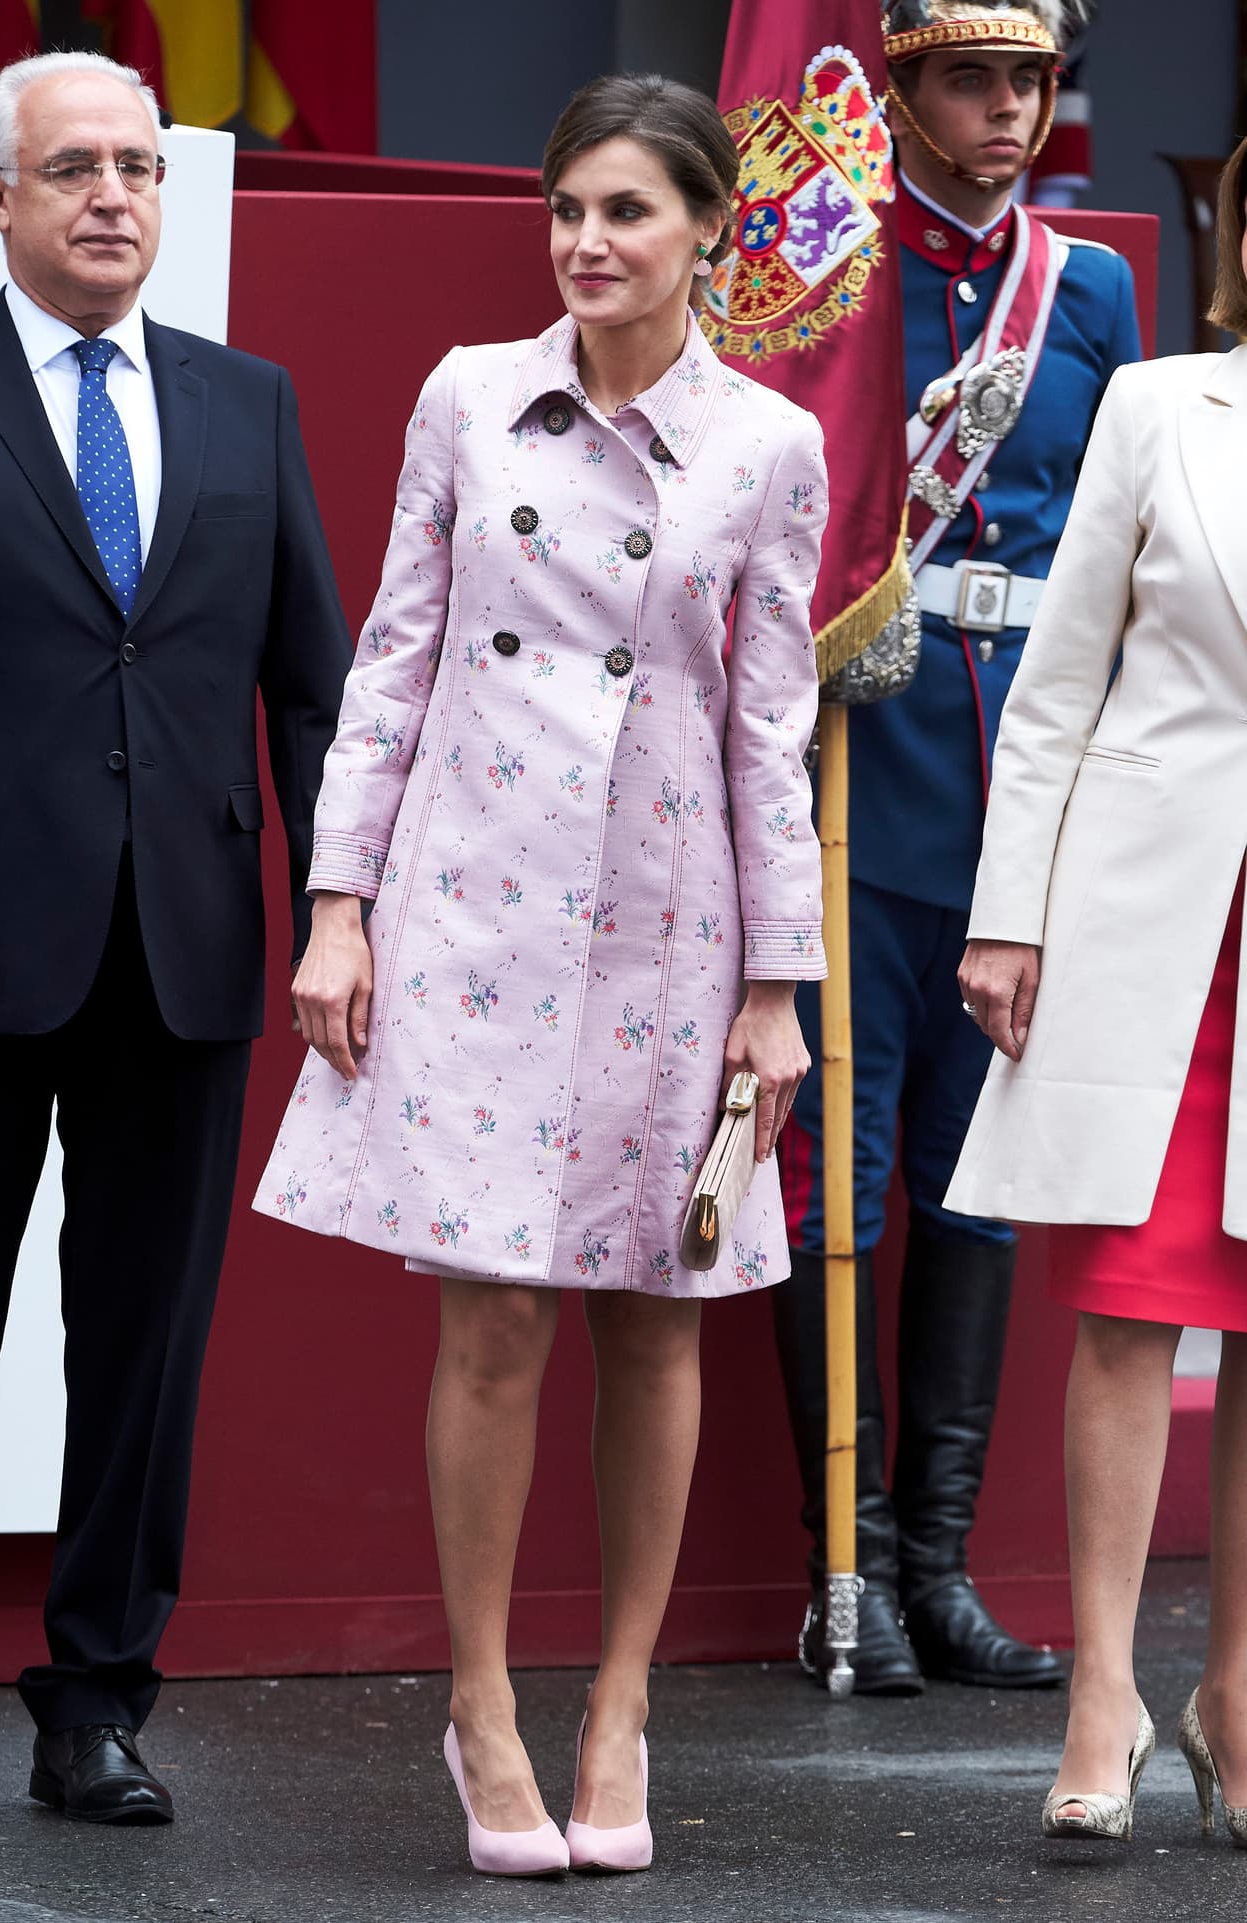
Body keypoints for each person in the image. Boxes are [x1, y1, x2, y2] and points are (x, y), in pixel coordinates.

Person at [254, 72, 828, 1877]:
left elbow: (768, 727)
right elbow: (393, 660)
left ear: (706, 232)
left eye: (626, 213)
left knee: (660, 1313)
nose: (587, 243)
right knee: (490, 1310)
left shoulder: (769, 448)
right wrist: (337, 903)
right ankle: (484, 1702)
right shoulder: (466, 400)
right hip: (478, 908)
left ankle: (625, 1705)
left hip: (673, 920)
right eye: (567, 209)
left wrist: (780, 981)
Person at [0, 52, 350, 1823]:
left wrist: (336, 909)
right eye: (72, 169)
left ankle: (96, 1700)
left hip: (184, 949)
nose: (112, 194)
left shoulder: (244, 403)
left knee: (143, 1347)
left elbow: (310, 695)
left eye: (136, 165)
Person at [772, 0, 1141, 1695]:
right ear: (899, 87)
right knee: (838, 1187)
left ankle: (943, 1567)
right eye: (972, 81)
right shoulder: (831, 284)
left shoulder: (1091, 290)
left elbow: (1116, 543)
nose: (1006, 112)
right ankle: (840, 1567)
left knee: (977, 1189)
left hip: (1021, 791)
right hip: (863, 767)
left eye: (1030, 82)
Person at [947, 133, 1247, 1843]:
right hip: (1151, 928)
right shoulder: (1156, 403)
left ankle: (1238, 1696)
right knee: (1130, 1307)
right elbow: (1057, 685)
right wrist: (1012, 918)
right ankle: (1105, 1692)